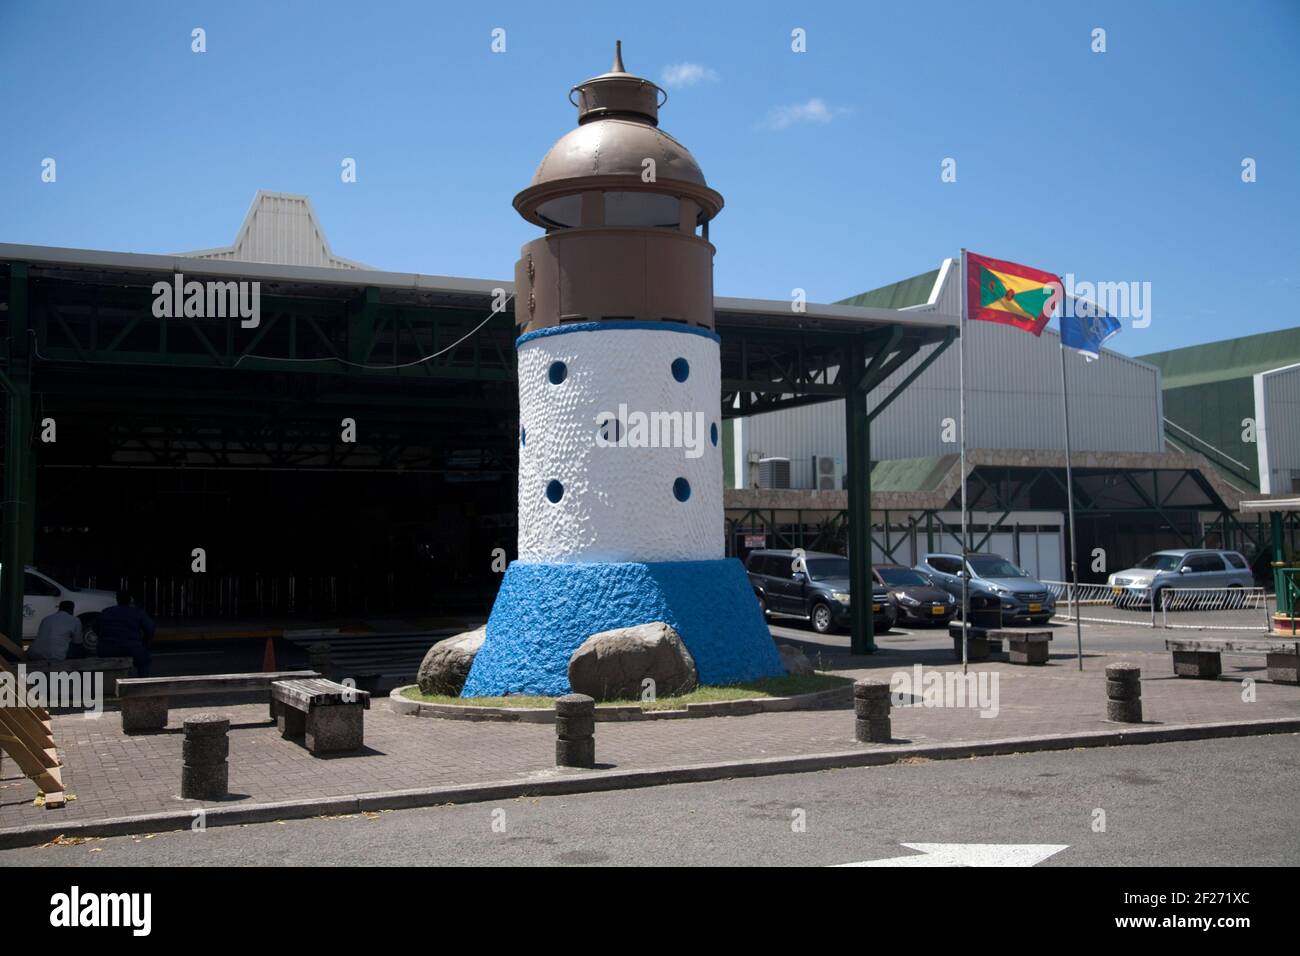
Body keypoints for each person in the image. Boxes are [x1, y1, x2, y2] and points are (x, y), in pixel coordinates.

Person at [95, 591, 156, 678]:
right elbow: (150, 629)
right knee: (145, 660)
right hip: (131, 649)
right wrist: (145, 642)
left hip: (106, 649)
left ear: (117, 600)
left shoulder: (106, 611)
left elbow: (95, 628)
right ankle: (142, 683)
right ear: (131, 600)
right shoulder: (138, 612)